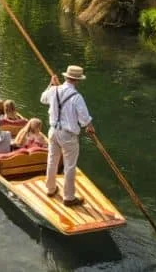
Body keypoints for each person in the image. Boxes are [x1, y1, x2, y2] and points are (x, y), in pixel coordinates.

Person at [40, 65, 94, 207]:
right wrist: (90, 126)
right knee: (70, 166)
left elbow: (43, 99)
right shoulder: (77, 97)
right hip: (68, 136)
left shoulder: (53, 90)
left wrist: (51, 84)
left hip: (53, 131)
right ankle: (69, 197)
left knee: (52, 160)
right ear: (77, 81)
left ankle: (50, 189)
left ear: (66, 77)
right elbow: (84, 119)